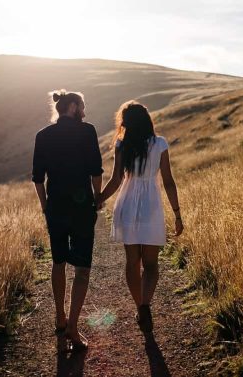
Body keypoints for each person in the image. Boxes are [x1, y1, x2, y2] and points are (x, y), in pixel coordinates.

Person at [97, 100, 183, 333]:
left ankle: (139, 307)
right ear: (147, 120)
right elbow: (168, 182)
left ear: (126, 123)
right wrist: (177, 214)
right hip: (151, 206)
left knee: (132, 262)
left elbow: (116, 180)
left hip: (127, 204)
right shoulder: (161, 144)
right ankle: (145, 305)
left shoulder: (122, 144)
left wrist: (99, 199)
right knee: (152, 264)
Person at [31, 89, 104, 351]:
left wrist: (45, 207)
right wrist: (98, 197)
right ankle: (72, 326)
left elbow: (38, 178)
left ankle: (60, 316)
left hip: (56, 209)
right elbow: (96, 170)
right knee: (82, 269)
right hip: (82, 208)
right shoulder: (87, 131)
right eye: (82, 106)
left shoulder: (43, 135)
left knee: (58, 262)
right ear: (73, 106)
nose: (84, 112)